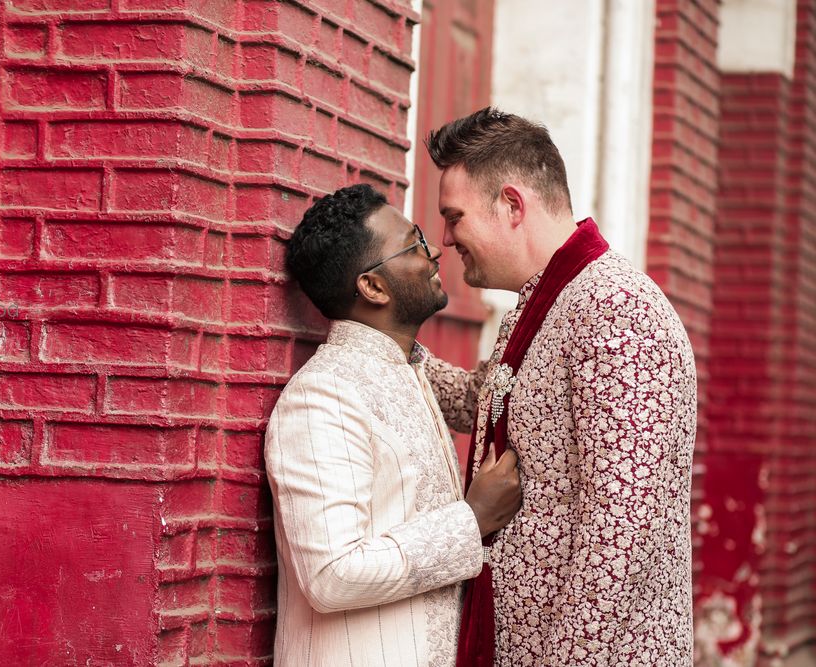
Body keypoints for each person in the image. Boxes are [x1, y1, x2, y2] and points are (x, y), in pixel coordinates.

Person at [422, 108, 696, 666]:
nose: (446, 238)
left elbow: (621, 528)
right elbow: (486, 403)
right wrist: (386, 345)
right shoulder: (541, 303)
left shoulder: (616, 309)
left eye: (455, 216)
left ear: (512, 204)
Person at [266, 184, 522, 667]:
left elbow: (479, 397)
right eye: (415, 245)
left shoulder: (410, 369)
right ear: (373, 287)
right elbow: (330, 574)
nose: (433, 255)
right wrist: (472, 519)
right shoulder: (324, 396)